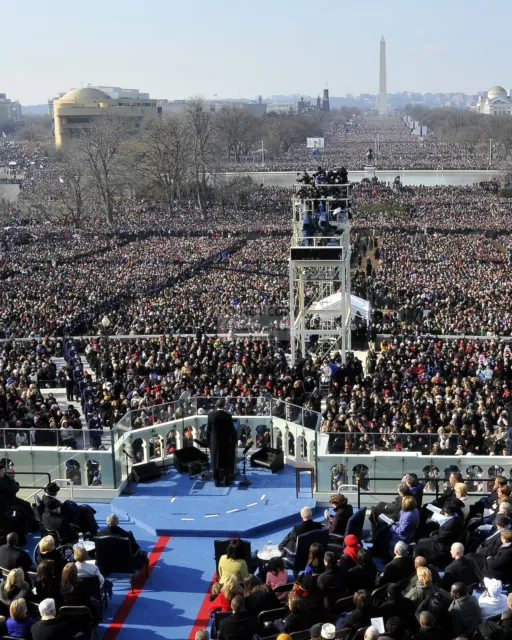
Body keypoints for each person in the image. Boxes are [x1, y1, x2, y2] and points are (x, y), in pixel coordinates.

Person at [206, 398, 237, 487]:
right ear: (224, 405)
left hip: (214, 442)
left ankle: (216, 480)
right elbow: (232, 430)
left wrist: (209, 442)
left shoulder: (211, 415)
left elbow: (208, 430)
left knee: (215, 460)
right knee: (226, 460)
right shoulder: (227, 416)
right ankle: (226, 480)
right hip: (225, 441)